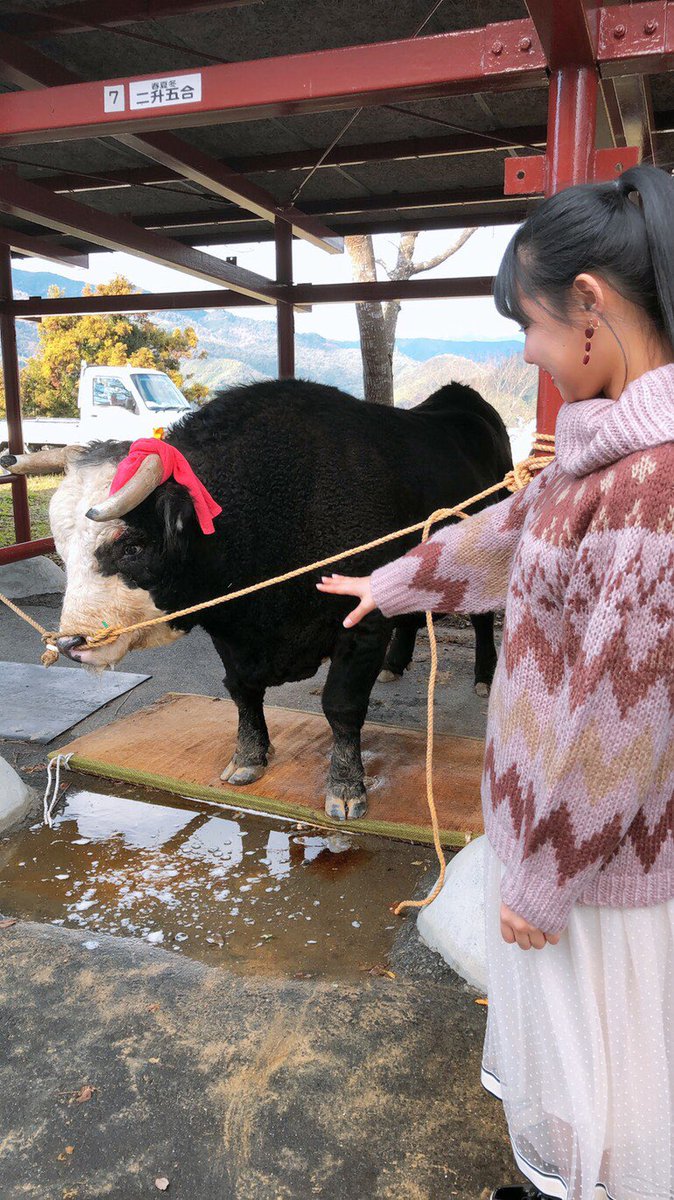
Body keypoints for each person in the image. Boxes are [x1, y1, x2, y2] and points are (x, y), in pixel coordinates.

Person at [317, 163, 674, 1200]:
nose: (525, 352)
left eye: (529, 324)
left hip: (594, 857)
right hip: (560, 832)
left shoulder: (654, 487)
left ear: (589, 306)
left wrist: (545, 874)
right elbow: (511, 532)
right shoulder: (604, 454)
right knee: (575, 1066)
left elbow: (625, 715)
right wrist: (393, 583)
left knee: (607, 1072)